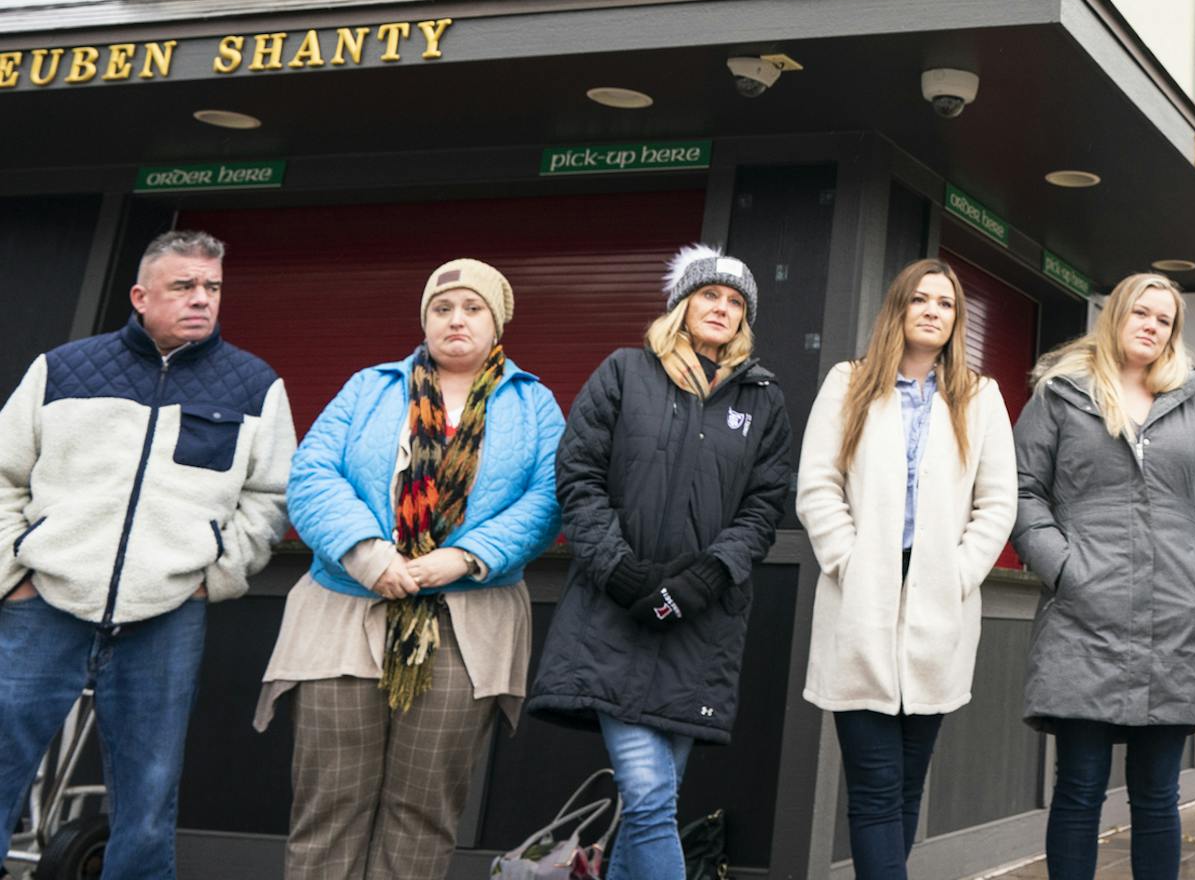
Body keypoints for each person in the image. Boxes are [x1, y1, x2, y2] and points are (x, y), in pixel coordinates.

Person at [0, 229, 294, 880]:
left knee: (149, 790)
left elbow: (269, 496)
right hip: (44, 599)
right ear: (139, 295)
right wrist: (15, 570)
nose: (201, 299)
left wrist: (211, 576)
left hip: (167, 611)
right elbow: (4, 476)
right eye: (184, 286)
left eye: (212, 288)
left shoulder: (254, 385)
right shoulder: (62, 369)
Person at [259, 259, 564, 880]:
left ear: (497, 322)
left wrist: (462, 557)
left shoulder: (535, 404)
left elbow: (550, 496)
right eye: (441, 308)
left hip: (464, 626)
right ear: (424, 321)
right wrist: (370, 556)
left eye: (472, 308)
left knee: (423, 811)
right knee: (330, 804)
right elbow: (313, 472)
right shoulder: (369, 387)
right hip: (346, 613)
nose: (456, 319)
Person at [528, 245, 793, 880]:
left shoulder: (764, 401)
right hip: (611, 619)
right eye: (710, 295)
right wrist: (619, 570)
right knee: (648, 798)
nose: (722, 309)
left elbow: (764, 508)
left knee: (653, 805)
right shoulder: (623, 373)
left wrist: (708, 576)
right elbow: (579, 477)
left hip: (699, 629)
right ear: (682, 304)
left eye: (735, 302)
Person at [1010, 273, 1195, 880]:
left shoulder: (1194, 402)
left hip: (1175, 621)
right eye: (1141, 313)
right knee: (1080, 790)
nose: (1151, 325)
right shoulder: (1062, 395)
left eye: (1164, 319)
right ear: (1116, 315)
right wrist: (1064, 569)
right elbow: (1021, 492)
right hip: (1082, 619)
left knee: (1157, 796)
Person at [797, 259, 1018, 877]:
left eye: (945, 304)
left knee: (904, 792)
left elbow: (998, 502)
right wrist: (849, 559)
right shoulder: (850, 383)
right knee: (873, 791)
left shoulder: (979, 397)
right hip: (860, 604)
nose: (932, 311)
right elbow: (818, 486)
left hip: (938, 609)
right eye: (919, 299)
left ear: (956, 319)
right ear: (897, 309)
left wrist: (960, 571)